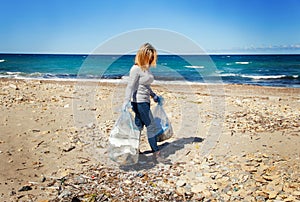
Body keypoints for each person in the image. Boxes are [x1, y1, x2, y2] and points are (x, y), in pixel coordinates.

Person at [122, 43, 162, 154]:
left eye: (152, 57)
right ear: (143, 55)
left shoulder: (146, 68)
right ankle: (156, 150)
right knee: (151, 125)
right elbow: (130, 86)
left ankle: (135, 149)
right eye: (149, 57)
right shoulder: (135, 69)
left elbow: (145, 85)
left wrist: (153, 95)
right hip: (139, 102)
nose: (151, 60)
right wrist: (126, 101)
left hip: (145, 100)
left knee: (139, 125)